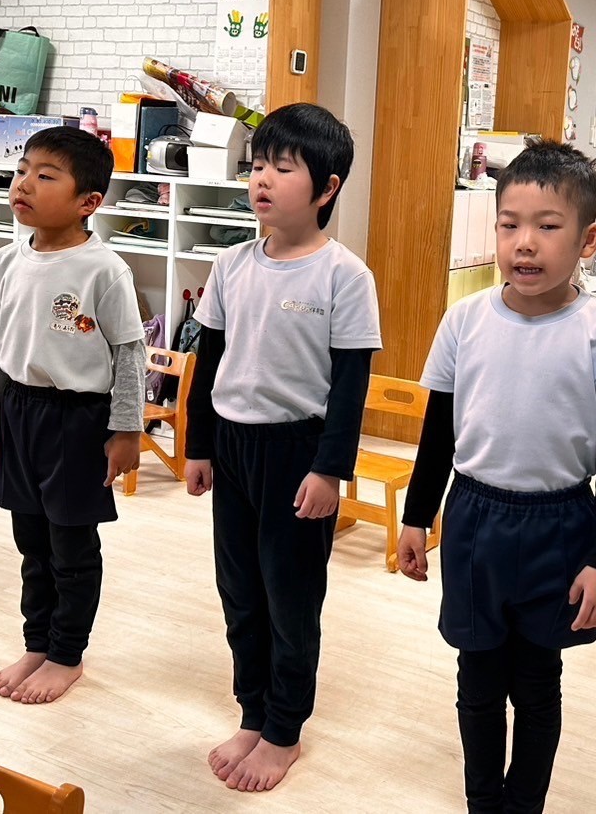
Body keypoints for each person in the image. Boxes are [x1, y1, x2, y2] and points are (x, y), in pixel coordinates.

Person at [398, 140, 596, 813]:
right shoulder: (464, 321)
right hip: (474, 518)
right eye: (509, 224)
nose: (524, 243)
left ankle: (524, 805)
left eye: (547, 226)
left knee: (538, 683)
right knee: (477, 678)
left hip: (560, 523)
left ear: (587, 239)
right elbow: (437, 433)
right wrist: (415, 518)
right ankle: (482, 802)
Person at [184, 103, 381, 792]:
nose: (262, 179)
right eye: (257, 165)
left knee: (289, 596)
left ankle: (284, 729)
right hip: (233, 445)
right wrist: (198, 446)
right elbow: (207, 363)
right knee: (239, 590)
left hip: (298, 453)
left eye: (283, 168)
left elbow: (350, 386)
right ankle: (253, 710)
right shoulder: (231, 264)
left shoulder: (344, 276)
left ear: (327, 188)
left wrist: (330, 470)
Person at [0, 127, 146, 706]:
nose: (24, 184)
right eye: (22, 170)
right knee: (31, 542)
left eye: (45, 176)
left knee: (71, 547)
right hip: (20, 411)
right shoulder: (6, 260)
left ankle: (66, 654)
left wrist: (126, 431)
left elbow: (129, 355)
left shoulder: (104, 269)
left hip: (77, 419)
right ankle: (37, 643)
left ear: (88, 202)